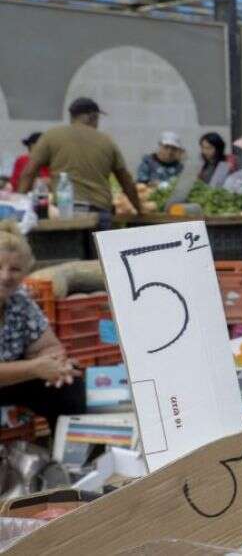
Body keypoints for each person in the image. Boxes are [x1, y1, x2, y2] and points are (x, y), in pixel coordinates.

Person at [0, 221, 83, 430]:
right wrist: (34, 368)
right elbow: (33, 367)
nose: (5, 276)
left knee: (69, 379)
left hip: (12, 381)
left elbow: (48, 346)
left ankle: (69, 455)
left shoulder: (19, 300)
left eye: (15, 269)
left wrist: (57, 364)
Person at [18, 98, 142, 229]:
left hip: (63, 213)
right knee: (97, 249)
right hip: (98, 213)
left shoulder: (51, 136)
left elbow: (28, 172)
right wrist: (139, 209)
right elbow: (126, 181)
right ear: (92, 117)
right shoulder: (107, 141)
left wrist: (19, 205)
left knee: (68, 250)